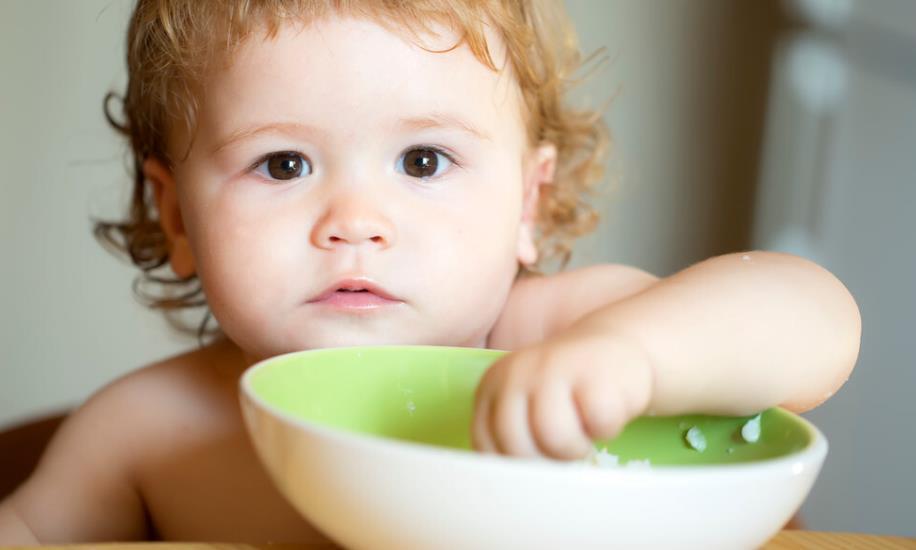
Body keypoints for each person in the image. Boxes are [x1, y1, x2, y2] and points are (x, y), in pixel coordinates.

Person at [0, 0, 861, 545]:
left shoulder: (559, 340)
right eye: (284, 165)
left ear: (527, 201)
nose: (356, 224)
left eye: (421, 161)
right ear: (178, 218)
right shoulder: (147, 432)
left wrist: (633, 357)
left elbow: (814, 319)